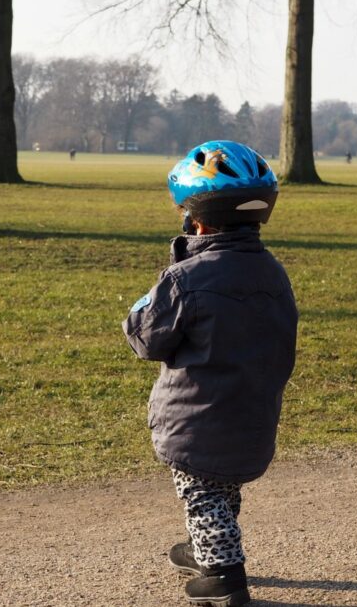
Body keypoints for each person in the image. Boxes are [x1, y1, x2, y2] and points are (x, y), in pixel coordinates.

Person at [122, 140, 298, 606]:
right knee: (223, 486)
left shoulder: (185, 279)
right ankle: (207, 549)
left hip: (196, 418)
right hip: (253, 409)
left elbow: (145, 339)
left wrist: (161, 286)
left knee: (202, 493)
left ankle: (223, 574)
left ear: (196, 220)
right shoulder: (274, 274)